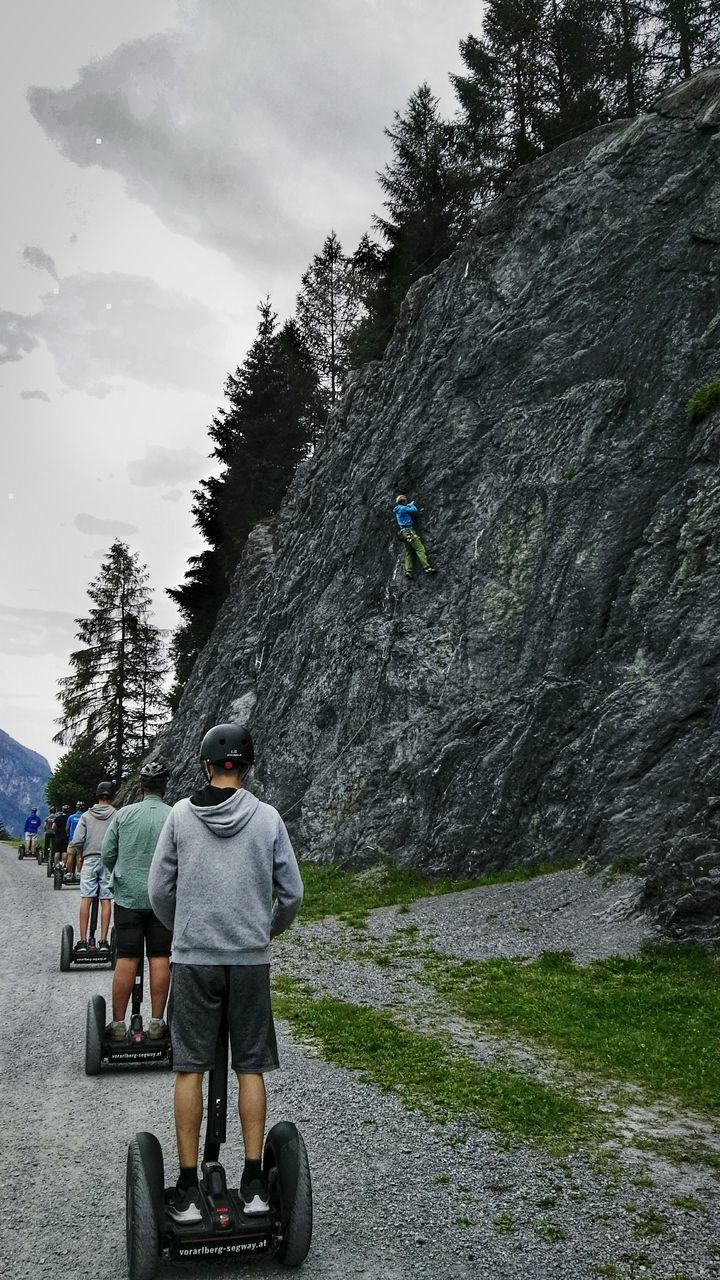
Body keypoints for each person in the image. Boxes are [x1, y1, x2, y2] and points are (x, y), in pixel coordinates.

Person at [149, 723, 304, 1225]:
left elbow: (158, 891)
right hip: (250, 959)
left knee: (190, 1067)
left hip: (194, 960)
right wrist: (262, 930)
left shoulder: (180, 816)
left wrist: (186, 930)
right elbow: (293, 894)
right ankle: (256, 1181)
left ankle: (190, 1188)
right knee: (250, 1066)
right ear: (247, 766)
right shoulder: (269, 819)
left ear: (207, 767)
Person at [101, 761, 172, 1042]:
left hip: (128, 897)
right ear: (164, 787)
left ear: (141, 786)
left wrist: (122, 872)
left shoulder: (124, 814)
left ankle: (118, 1024)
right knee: (159, 957)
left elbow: (108, 853)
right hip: (161, 900)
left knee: (127, 958)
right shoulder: (174, 815)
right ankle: (157, 1022)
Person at [69, 782, 116, 953]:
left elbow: (77, 840)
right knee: (106, 900)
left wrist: (81, 855)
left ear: (97, 795)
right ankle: (104, 941)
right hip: (108, 861)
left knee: (86, 898)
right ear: (111, 795)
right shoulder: (116, 815)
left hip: (89, 859)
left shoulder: (86, 816)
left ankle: (82, 942)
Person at [393, 493, 436, 577]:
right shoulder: (404, 509)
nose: (407, 502)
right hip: (409, 532)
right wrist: (411, 505)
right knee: (419, 548)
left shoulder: (398, 509)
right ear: (403, 502)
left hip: (403, 533)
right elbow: (414, 510)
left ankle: (408, 571)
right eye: (406, 501)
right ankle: (427, 567)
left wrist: (407, 505)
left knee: (409, 551)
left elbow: (405, 508)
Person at [65, 801, 86, 876]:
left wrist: (69, 835)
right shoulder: (85, 816)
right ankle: (79, 873)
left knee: (70, 856)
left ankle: (69, 873)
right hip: (82, 840)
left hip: (72, 839)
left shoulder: (71, 817)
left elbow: (67, 828)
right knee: (79, 856)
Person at [52, 806, 70, 871]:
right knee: (64, 851)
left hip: (58, 836)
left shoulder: (57, 818)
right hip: (65, 836)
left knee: (57, 851)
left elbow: (53, 827)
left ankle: (56, 865)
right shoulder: (69, 818)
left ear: (62, 810)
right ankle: (64, 865)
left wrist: (56, 831)